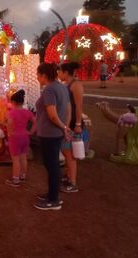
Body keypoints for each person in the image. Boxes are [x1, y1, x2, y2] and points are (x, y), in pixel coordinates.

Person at [34, 63, 71, 211]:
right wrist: (66, 127)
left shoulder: (49, 89)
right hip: (56, 133)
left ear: (44, 75)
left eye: (38, 75)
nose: (37, 78)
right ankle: (51, 194)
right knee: (53, 165)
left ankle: (53, 200)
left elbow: (52, 115)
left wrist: (63, 127)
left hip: (50, 134)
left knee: (52, 166)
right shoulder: (62, 86)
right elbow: (68, 108)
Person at [58, 62, 84, 193]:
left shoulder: (76, 85)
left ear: (66, 73)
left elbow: (79, 106)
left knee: (69, 154)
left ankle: (72, 183)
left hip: (74, 124)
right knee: (65, 150)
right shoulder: (66, 85)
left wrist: (78, 124)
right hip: (66, 123)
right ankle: (68, 176)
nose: (58, 74)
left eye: (60, 71)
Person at [4, 90, 36, 187]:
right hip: (25, 136)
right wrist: (31, 132)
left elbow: (9, 123)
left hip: (15, 137)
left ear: (13, 102)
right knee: (23, 158)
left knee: (16, 159)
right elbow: (35, 122)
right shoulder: (28, 112)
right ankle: (23, 175)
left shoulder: (12, 113)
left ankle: (15, 179)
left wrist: (9, 132)